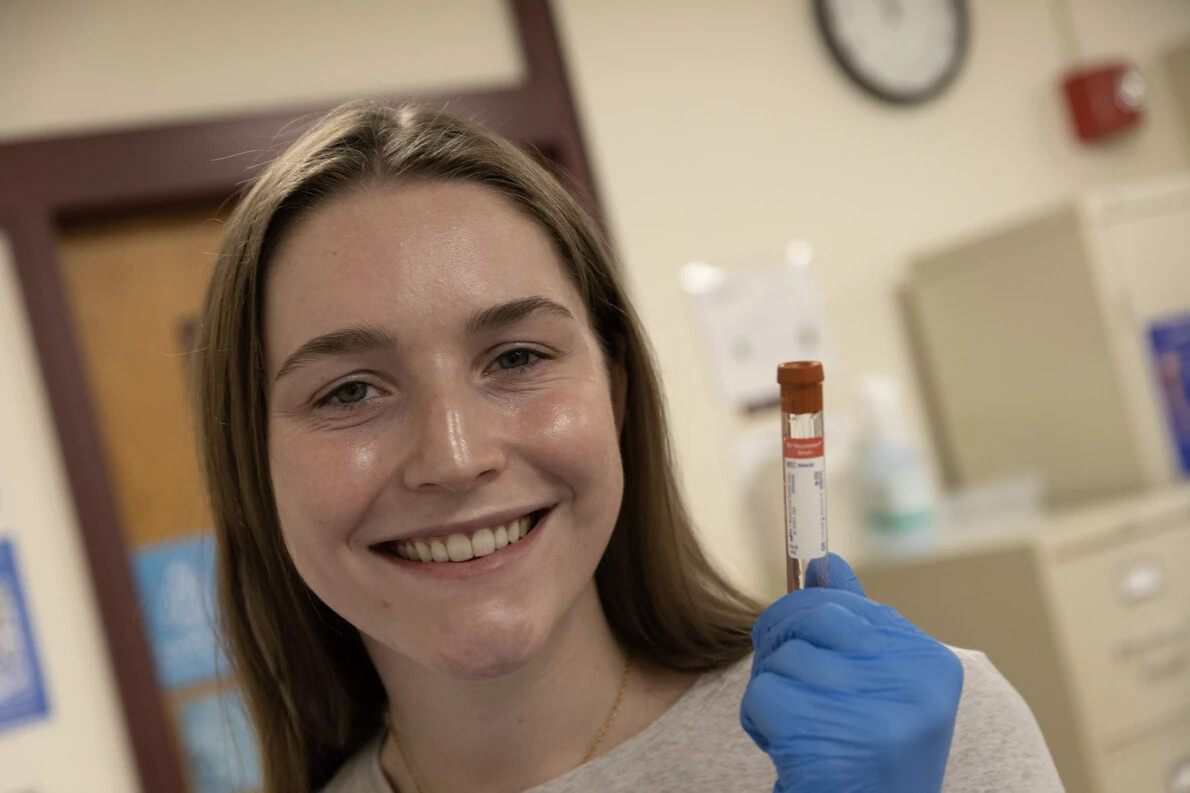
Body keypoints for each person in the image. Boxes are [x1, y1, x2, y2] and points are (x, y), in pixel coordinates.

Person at [192, 101, 1064, 793]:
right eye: (349, 390)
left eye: (518, 357)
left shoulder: (940, 737)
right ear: (253, 462)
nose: (455, 457)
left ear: (614, 392)